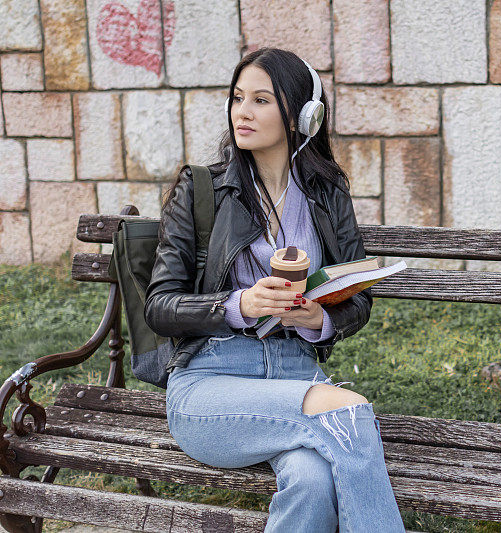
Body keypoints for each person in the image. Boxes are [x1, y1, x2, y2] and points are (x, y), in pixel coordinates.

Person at [143, 47, 405, 533]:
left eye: (261, 100)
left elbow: (358, 299)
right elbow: (159, 307)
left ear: (303, 116)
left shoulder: (327, 194)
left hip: (293, 375)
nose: (242, 112)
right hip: (209, 383)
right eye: (238, 98)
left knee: (311, 480)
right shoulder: (202, 189)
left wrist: (319, 319)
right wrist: (237, 304)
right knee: (352, 413)